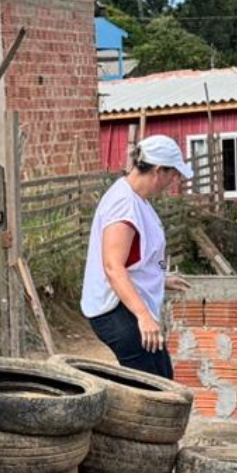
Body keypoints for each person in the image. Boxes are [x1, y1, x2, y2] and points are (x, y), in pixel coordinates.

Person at [80, 134, 194, 377]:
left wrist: (158, 278)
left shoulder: (137, 198)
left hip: (125, 304)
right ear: (158, 170)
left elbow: (134, 258)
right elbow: (113, 267)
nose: (173, 181)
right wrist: (143, 316)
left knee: (163, 378)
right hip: (115, 309)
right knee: (152, 385)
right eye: (173, 174)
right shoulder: (124, 204)